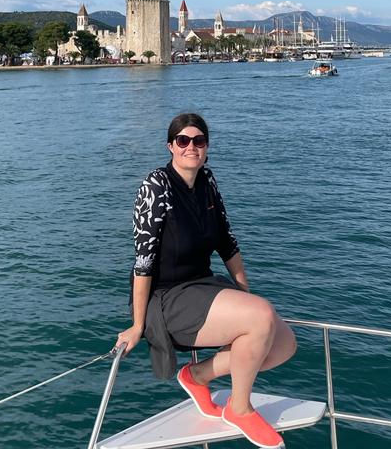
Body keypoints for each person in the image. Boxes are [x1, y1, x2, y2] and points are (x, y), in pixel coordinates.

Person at [116, 112, 296, 449]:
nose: (191, 147)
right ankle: (240, 409)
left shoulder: (207, 182)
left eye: (198, 141)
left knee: (283, 344)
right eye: (183, 141)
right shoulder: (156, 186)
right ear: (170, 146)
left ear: (207, 146)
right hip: (166, 298)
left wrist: (244, 294)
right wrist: (137, 325)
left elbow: (227, 243)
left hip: (203, 285)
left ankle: (197, 376)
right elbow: (142, 263)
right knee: (259, 318)